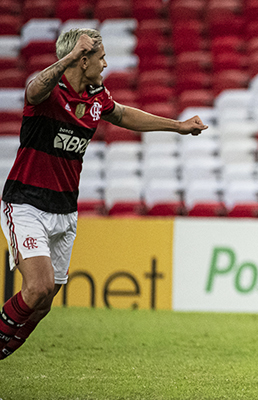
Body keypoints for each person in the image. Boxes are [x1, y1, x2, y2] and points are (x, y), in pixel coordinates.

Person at [0, 28, 208, 360]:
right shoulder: (50, 93)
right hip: (26, 202)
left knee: (43, 304)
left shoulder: (97, 95)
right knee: (36, 287)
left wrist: (178, 126)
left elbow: (123, 115)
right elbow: (32, 89)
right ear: (83, 60)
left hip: (65, 209)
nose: (106, 63)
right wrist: (67, 58)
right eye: (100, 57)